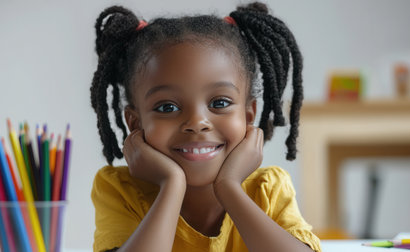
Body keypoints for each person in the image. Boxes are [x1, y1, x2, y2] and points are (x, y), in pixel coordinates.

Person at [90, 2, 321, 251]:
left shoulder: (268, 189)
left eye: (219, 102)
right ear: (135, 123)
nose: (197, 123)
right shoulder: (121, 191)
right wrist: (171, 184)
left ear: (248, 115)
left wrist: (229, 187)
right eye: (167, 107)